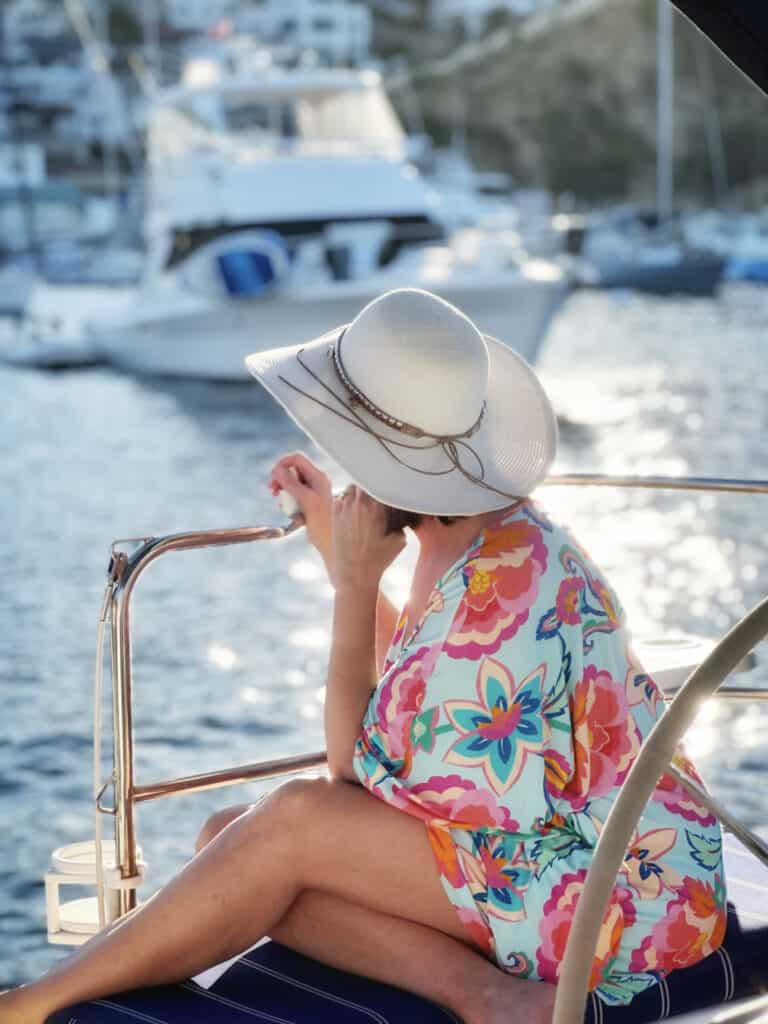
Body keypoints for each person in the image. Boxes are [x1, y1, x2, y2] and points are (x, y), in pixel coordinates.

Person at [0, 289, 726, 1024]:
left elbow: (354, 773)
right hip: (592, 854)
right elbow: (415, 690)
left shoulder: (493, 592)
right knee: (229, 843)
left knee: (287, 825)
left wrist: (354, 584)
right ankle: (486, 996)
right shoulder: (484, 535)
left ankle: (33, 1005)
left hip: (629, 898)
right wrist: (334, 549)